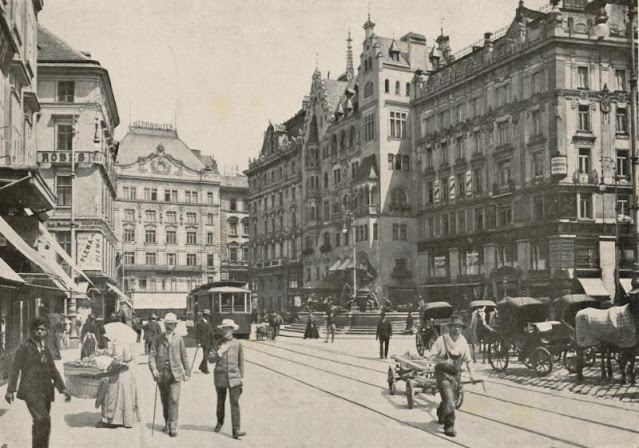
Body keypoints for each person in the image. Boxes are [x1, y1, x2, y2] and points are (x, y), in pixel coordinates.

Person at [5, 317, 72, 448]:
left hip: (46, 391)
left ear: (47, 331)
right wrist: (10, 390)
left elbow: (53, 369)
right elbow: (15, 368)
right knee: (43, 419)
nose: (40, 332)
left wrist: (63, 389)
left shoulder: (46, 347)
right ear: (32, 331)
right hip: (30, 390)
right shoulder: (24, 347)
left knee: (40, 422)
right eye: (37, 329)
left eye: (43, 329)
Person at [426, 314, 476, 438]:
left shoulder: (463, 341)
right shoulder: (441, 340)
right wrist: (442, 361)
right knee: (449, 399)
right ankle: (449, 426)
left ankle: (440, 412)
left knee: (450, 398)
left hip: (456, 375)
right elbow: (431, 357)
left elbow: (468, 360)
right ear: (450, 328)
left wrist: (472, 374)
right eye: (454, 327)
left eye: (459, 327)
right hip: (442, 374)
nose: (457, 330)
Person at [149, 312, 191, 437]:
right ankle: (167, 422)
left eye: (172, 324)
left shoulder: (179, 339)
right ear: (164, 324)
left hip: (176, 374)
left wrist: (187, 372)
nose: (169, 326)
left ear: (175, 326)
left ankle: (173, 426)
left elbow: (184, 356)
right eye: (167, 324)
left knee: (174, 400)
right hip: (162, 375)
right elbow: (152, 355)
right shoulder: (158, 339)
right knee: (165, 401)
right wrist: (154, 369)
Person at [208, 319, 246, 439]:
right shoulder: (217, 343)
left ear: (232, 330)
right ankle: (220, 423)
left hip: (234, 378)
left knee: (234, 403)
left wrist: (242, 378)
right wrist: (219, 352)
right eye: (224, 329)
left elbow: (241, 362)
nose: (225, 331)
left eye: (228, 328)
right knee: (220, 401)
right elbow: (210, 359)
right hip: (220, 377)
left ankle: (236, 429)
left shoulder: (237, 343)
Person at [96, 332, 140, 428]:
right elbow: (127, 356)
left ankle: (111, 421)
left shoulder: (117, 343)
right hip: (127, 372)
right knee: (125, 397)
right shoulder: (125, 340)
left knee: (112, 396)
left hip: (118, 374)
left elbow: (116, 361)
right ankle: (125, 420)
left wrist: (106, 359)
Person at [196, 309, 215, 374]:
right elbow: (198, 333)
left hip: (209, 341)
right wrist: (198, 342)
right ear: (204, 315)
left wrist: (213, 340)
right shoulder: (200, 323)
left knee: (206, 355)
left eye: (209, 316)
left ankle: (202, 367)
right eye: (207, 315)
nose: (208, 317)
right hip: (204, 342)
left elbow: (211, 332)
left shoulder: (208, 322)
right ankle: (205, 369)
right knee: (206, 355)